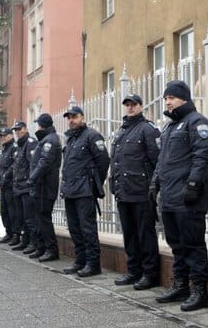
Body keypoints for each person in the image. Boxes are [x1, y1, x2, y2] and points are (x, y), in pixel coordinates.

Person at [150, 81, 208, 311]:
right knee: (176, 244)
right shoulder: (168, 128)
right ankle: (180, 285)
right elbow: (161, 160)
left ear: (184, 98)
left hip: (188, 197)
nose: (167, 101)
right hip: (169, 197)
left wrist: (194, 185)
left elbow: (201, 156)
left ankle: (199, 291)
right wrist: (154, 183)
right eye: (165, 97)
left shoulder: (197, 123)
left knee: (193, 244)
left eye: (172, 97)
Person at [109, 94, 161, 289]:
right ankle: (133, 271)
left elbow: (157, 161)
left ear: (141, 106)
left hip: (141, 191)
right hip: (123, 191)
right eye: (127, 105)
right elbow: (116, 161)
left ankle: (150, 274)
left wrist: (153, 187)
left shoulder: (148, 130)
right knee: (129, 234)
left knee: (145, 234)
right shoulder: (121, 132)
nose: (130, 108)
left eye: (134, 105)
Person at [60, 106, 110, 277]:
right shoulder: (71, 140)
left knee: (87, 228)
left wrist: (95, 184)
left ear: (82, 117)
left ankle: (93, 264)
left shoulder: (92, 136)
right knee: (74, 228)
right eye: (69, 118)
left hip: (85, 190)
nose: (71, 120)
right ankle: (80, 260)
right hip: (70, 190)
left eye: (74, 117)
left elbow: (103, 161)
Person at [27, 113, 62, 262]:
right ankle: (42, 247)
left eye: (38, 123)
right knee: (40, 219)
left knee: (44, 219)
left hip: (44, 187)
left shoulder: (50, 140)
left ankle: (51, 249)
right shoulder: (47, 139)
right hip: (41, 186)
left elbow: (45, 163)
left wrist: (32, 179)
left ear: (42, 125)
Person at [9, 121, 38, 252]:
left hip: (26, 187)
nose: (17, 132)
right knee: (21, 218)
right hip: (19, 187)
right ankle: (25, 241)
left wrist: (30, 183)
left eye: (19, 129)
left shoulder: (30, 143)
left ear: (25, 129)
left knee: (29, 218)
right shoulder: (20, 145)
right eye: (15, 130)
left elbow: (33, 165)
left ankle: (33, 242)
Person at [0, 126, 19, 244]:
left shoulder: (14, 148)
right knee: (4, 210)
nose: (2, 138)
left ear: (10, 135)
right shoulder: (5, 149)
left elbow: (14, 165)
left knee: (12, 210)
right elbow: (2, 167)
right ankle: (8, 232)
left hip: (10, 185)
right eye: (1, 136)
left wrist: (5, 177)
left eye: (4, 136)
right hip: (3, 185)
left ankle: (15, 234)